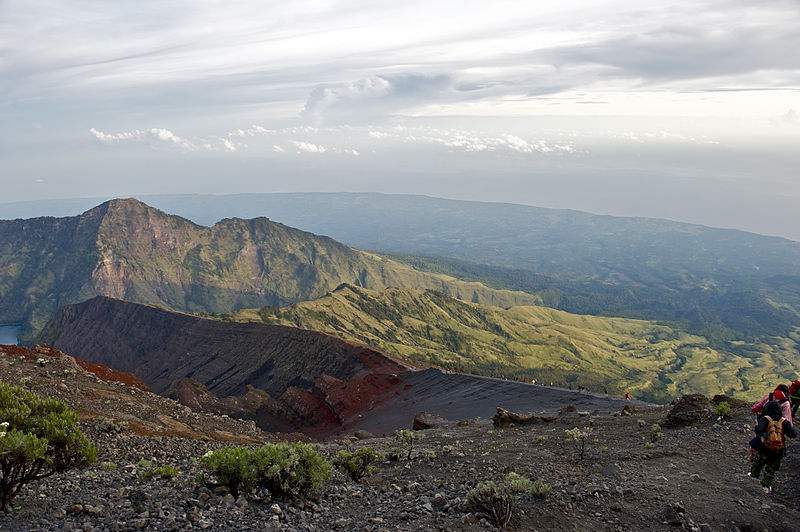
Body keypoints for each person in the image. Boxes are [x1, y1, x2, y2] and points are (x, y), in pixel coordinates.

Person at [749, 400, 797, 493]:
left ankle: (753, 481)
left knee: (757, 465)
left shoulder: (765, 419)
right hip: (778, 451)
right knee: (771, 470)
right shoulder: (784, 421)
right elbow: (793, 434)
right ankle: (766, 486)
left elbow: (758, 430)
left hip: (764, 448)